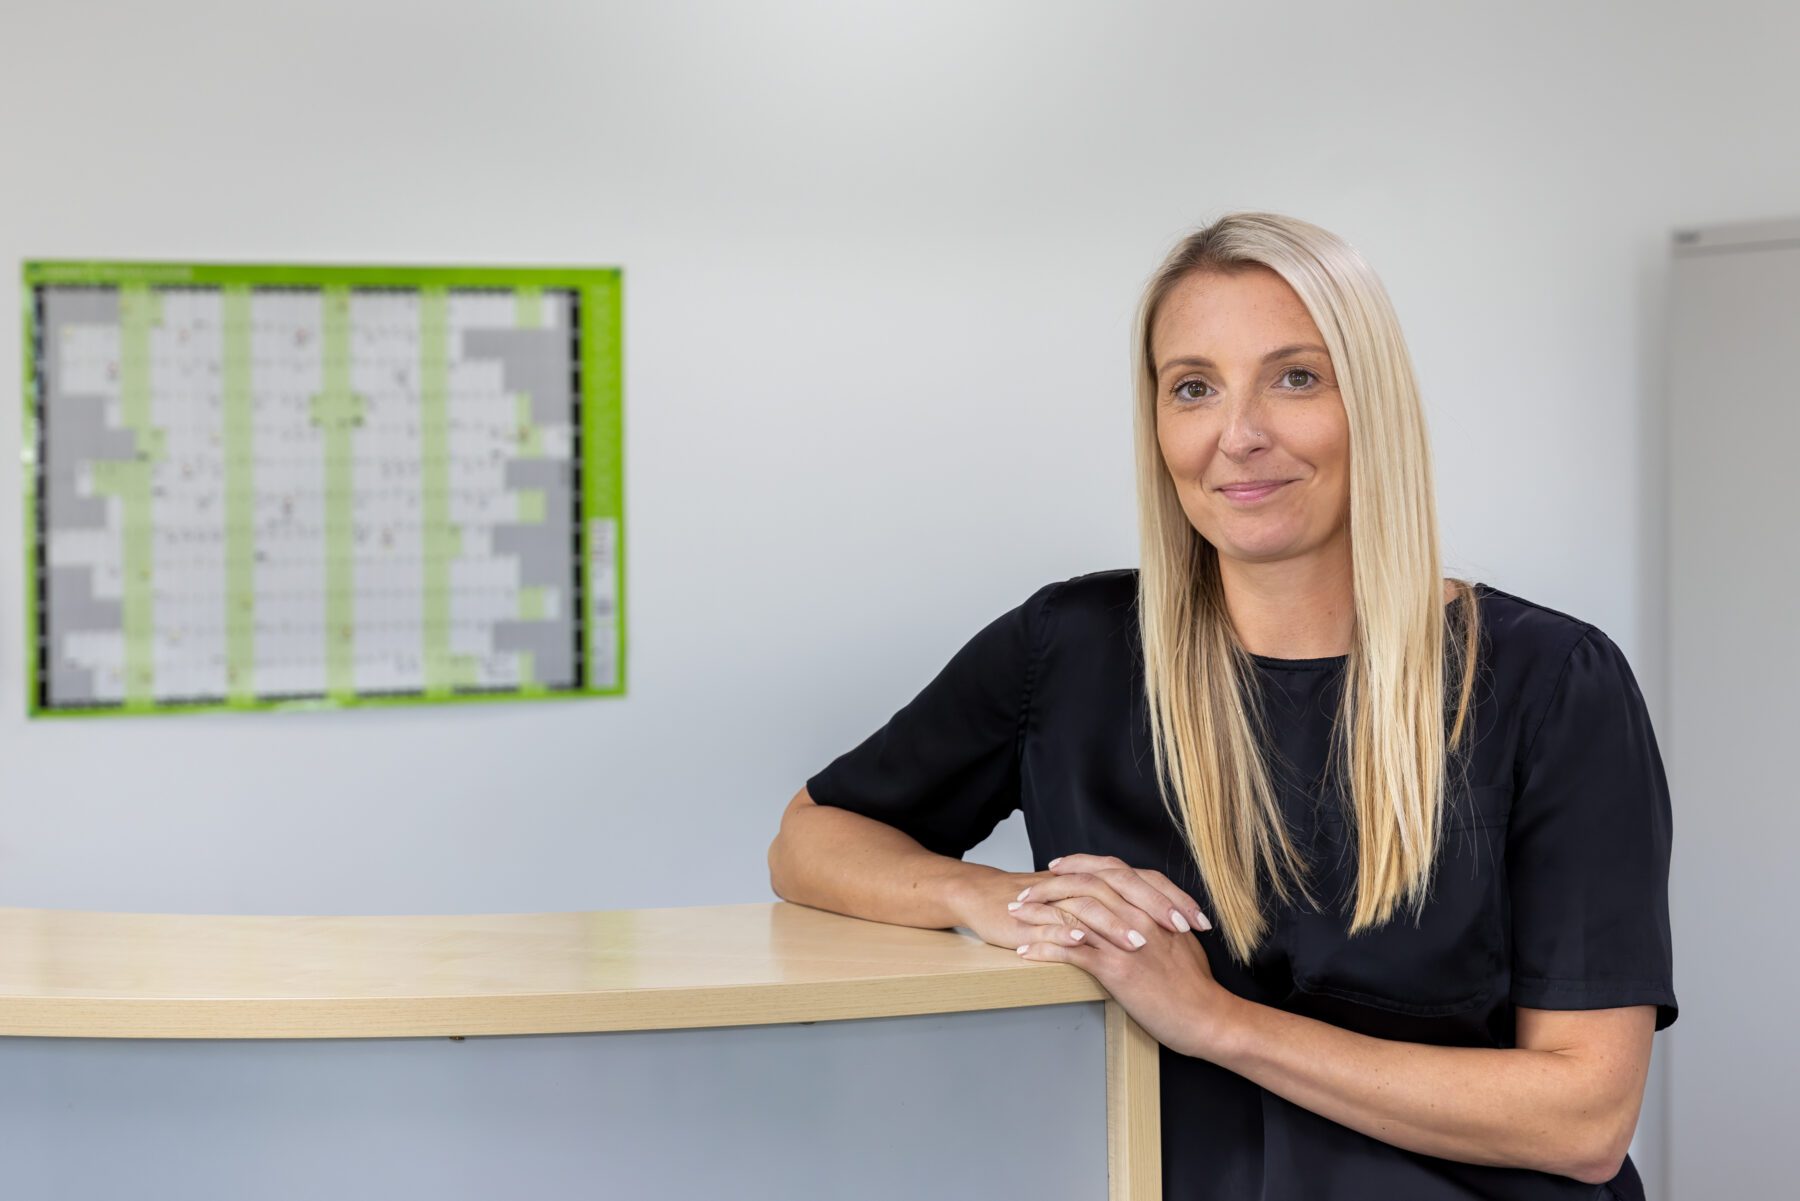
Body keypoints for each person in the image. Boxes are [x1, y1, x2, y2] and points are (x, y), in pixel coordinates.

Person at [766, 211, 1676, 1200]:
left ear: (1371, 402)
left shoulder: (1551, 682)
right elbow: (811, 837)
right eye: (1193, 388)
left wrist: (1216, 1022)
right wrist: (992, 899)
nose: (1238, 436)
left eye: (1296, 377)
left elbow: (1584, 1118)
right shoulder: (1068, 650)